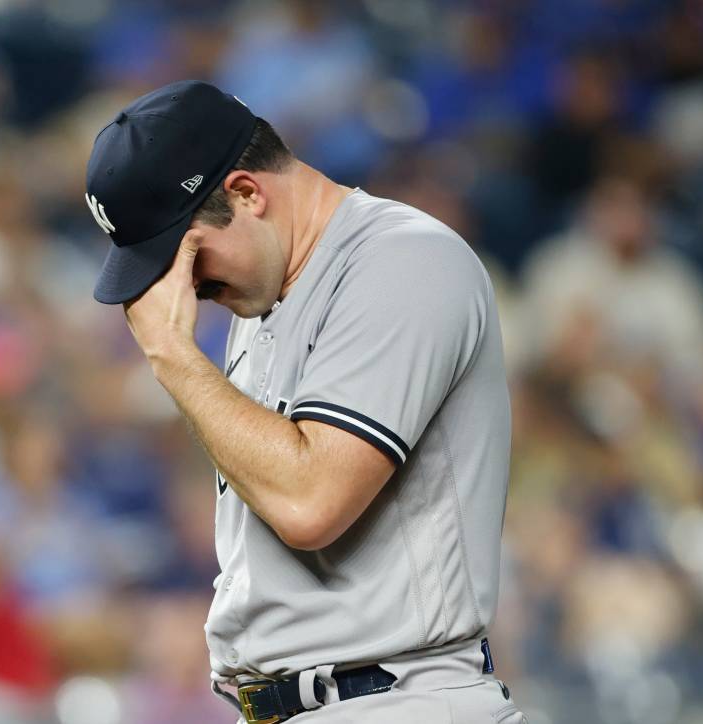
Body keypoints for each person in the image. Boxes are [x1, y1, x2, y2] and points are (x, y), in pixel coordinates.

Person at [86, 80, 523, 724]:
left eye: (188, 257)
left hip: (395, 701)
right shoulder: (268, 288)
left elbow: (310, 502)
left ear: (246, 193)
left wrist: (173, 355)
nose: (189, 288)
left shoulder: (402, 261)